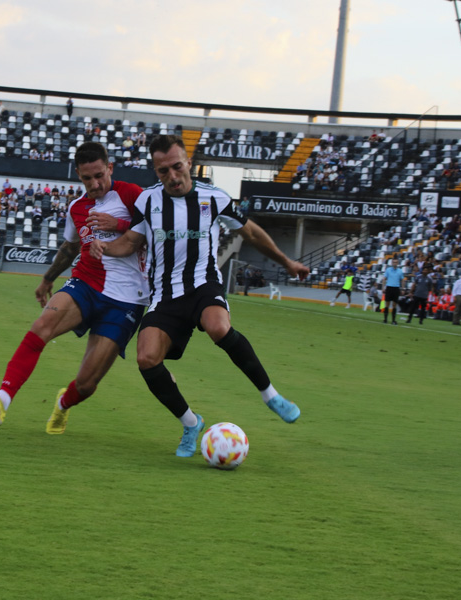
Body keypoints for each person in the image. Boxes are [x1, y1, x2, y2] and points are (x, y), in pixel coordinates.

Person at [90, 135, 309, 458]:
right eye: (163, 171)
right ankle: (191, 423)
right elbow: (131, 242)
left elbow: (250, 232)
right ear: (155, 171)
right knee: (146, 358)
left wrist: (287, 262)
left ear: (188, 162)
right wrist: (105, 247)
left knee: (219, 327)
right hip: (165, 295)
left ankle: (271, 395)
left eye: (177, 167)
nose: (172, 176)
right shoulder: (147, 202)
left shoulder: (214, 198)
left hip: (203, 285)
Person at [0, 142, 147, 434]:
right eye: (87, 178)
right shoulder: (77, 207)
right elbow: (71, 246)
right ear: (78, 175)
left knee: (87, 384)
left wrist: (119, 224)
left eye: (99, 175)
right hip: (87, 282)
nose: (94, 183)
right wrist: (49, 278)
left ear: (110, 168)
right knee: (42, 326)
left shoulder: (134, 195)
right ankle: (0, 400)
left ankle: (63, 403)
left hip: (127, 299)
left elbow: (155, 236)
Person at [382, 259, 403, 324]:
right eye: (393, 262)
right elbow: (384, 279)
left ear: (398, 263)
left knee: (394, 305)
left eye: (396, 262)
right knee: (387, 304)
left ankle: (393, 320)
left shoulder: (400, 271)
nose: (395, 263)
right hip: (389, 287)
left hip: (396, 288)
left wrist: (402, 289)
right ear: (392, 263)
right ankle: (385, 319)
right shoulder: (388, 270)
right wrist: (383, 287)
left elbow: (402, 280)